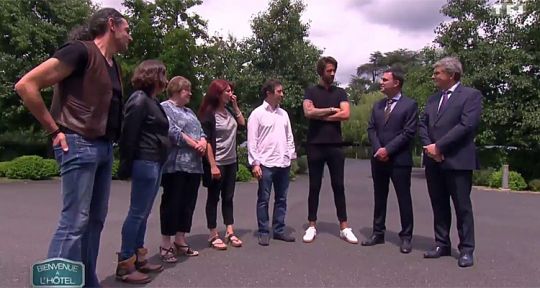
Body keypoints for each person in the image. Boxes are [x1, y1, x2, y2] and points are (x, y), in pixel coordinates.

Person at [14, 8, 131, 287]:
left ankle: (86, 281)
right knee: (74, 222)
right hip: (78, 142)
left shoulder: (114, 66)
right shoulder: (79, 52)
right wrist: (54, 131)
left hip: (103, 147)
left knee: (95, 221)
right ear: (112, 25)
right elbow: (26, 85)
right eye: (127, 29)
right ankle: (54, 284)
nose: (130, 35)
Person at [418, 57, 482, 268]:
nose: (433, 76)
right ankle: (442, 244)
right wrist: (430, 148)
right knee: (439, 204)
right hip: (434, 162)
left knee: (462, 206)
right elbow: (423, 125)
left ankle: (466, 249)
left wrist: (440, 147)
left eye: (437, 73)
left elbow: (466, 126)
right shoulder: (433, 99)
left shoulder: (471, 96)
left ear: (451, 75)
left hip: (458, 160)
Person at [116, 60, 170, 283]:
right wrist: (125, 165)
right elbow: (128, 134)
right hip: (144, 161)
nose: (166, 80)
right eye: (163, 75)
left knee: (144, 213)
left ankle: (139, 257)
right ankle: (125, 264)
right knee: (137, 213)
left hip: (155, 162)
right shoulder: (139, 99)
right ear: (153, 76)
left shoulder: (152, 101)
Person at [302, 56, 358, 244]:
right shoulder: (311, 92)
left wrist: (321, 114)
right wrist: (332, 110)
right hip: (315, 145)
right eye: (329, 70)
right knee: (314, 186)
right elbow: (308, 112)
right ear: (321, 71)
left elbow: (346, 114)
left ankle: (344, 227)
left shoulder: (341, 92)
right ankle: (311, 225)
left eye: (334, 70)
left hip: (335, 146)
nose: (332, 73)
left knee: (338, 186)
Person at [362, 69, 418, 253]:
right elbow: (371, 129)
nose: (381, 82)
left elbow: (408, 133)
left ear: (396, 83)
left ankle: (406, 237)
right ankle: (378, 233)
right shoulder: (378, 105)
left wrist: (388, 149)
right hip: (379, 160)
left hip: (399, 160)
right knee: (379, 198)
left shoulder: (410, 105)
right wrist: (379, 149)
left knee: (404, 199)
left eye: (385, 80)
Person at [159, 76, 206, 262]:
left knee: (188, 204)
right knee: (172, 204)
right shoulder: (165, 108)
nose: (190, 93)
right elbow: (172, 131)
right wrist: (195, 144)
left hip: (194, 166)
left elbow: (201, 130)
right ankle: (165, 244)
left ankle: (180, 239)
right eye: (188, 90)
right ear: (178, 90)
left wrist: (202, 141)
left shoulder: (189, 111)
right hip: (175, 165)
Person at [247, 79, 296, 246]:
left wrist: (291, 155)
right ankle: (263, 231)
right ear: (268, 93)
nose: (282, 94)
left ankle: (279, 230)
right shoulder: (257, 114)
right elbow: (252, 141)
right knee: (263, 199)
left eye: (282, 91)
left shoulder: (284, 114)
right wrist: (255, 163)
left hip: (283, 163)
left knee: (281, 199)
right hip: (265, 164)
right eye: (279, 91)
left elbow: (289, 136)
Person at [199, 79, 246, 250]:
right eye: (227, 91)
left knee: (228, 198)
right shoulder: (208, 114)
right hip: (217, 162)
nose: (230, 93)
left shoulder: (228, 112)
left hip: (231, 161)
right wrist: (212, 165)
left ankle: (229, 231)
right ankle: (213, 234)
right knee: (213, 198)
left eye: (230, 91)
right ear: (217, 93)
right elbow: (207, 142)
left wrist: (235, 106)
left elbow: (242, 124)